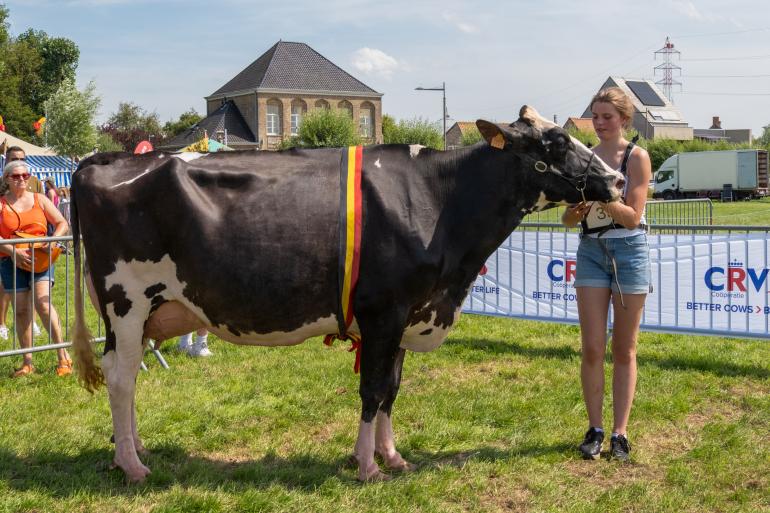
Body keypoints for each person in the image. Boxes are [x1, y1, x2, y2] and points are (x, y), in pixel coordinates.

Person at [561, 87, 652, 462]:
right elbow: (566, 218)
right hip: (591, 253)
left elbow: (632, 216)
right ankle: (595, 429)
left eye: (606, 117)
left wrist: (603, 197)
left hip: (629, 253)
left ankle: (620, 433)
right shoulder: (583, 158)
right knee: (593, 348)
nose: (599, 123)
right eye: (595, 116)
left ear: (624, 120)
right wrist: (578, 211)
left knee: (624, 349)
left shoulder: (637, 157)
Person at [0, 159, 71, 377]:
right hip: (10, 262)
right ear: (7, 179)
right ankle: (27, 362)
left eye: (25, 175)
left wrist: (53, 239)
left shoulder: (40, 199)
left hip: (41, 260)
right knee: (21, 311)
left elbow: (62, 223)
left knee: (44, 304)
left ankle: (64, 357)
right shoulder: (2, 204)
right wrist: (13, 251)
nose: (21, 179)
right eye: (16, 176)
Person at [0, 147, 43, 341]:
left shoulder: (35, 182)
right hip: (4, 247)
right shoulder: (3, 183)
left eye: (23, 158)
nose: (20, 161)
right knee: (3, 288)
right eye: (15, 158)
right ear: (6, 160)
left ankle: (31, 321)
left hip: (32, 247)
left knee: (32, 287)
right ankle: (1, 324)